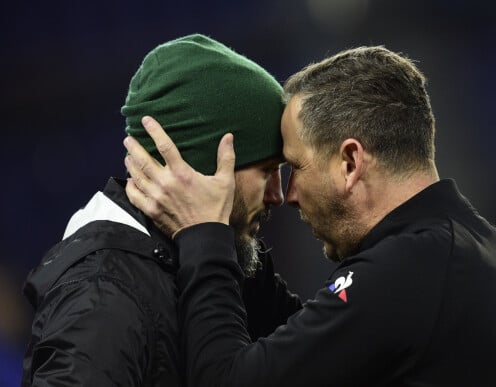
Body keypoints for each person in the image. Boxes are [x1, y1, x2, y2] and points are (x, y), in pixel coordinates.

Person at [123, 45, 496, 386]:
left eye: (296, 167)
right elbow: (324, 344)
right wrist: (240, 242)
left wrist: (206, 233)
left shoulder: (407, 271)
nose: (290, 194)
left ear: (350, 162)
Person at [21, 34, 302, 386]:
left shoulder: (207, 257)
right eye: (266, 170)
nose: (278, 193)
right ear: (200, 166)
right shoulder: (104, 295)